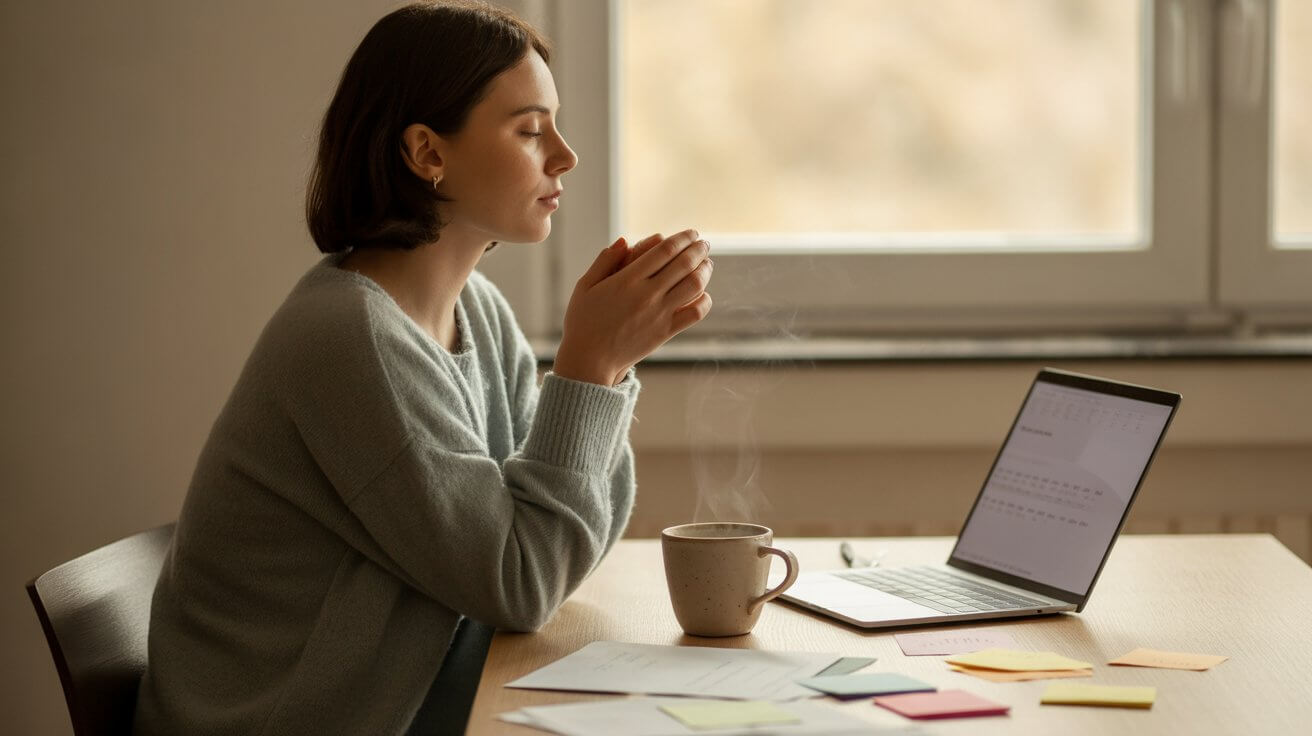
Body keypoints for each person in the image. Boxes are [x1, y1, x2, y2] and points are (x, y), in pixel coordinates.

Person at [132, 2, 712, 733]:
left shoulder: (480, 312)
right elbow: (524, 583)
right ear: (427, 153)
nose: (565, 155)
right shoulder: (350, 338)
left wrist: (608, 366)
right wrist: (590, 370)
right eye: (531, 130)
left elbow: (563, 548)